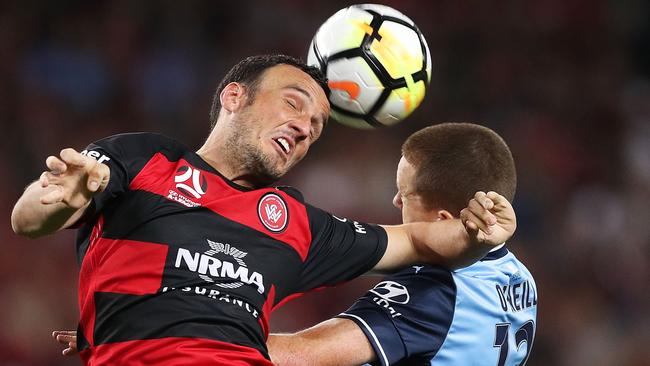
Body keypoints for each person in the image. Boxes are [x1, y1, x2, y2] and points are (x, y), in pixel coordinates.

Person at [13, 55, 514, 365]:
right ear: (235, 97)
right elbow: (29, 219)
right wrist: (66, 195)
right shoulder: (146, 158)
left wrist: (482, 233)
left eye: (316, 127)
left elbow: (422, 239)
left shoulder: (298, 222)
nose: (305, 128)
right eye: (294, 105)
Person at [267, 123, 537, 365]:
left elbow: (300, 356)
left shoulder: (434, 291)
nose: (396, 201)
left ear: (441, 219)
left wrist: (228, 329)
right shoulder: (519, 276)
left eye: (406, 194)